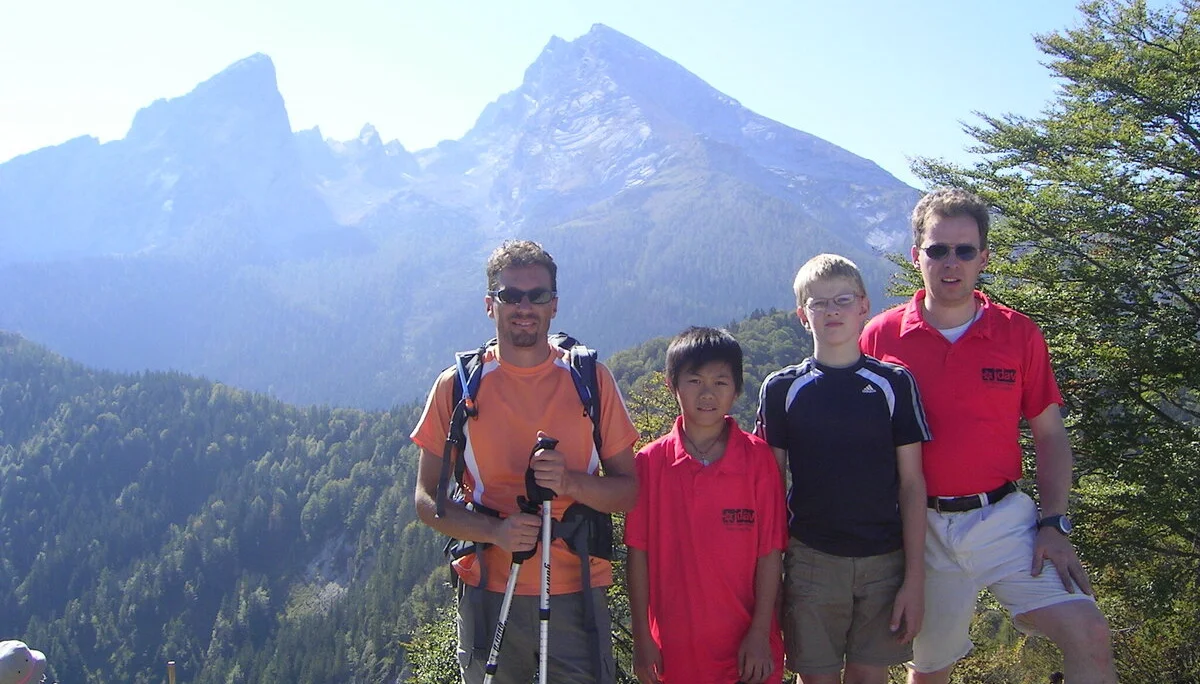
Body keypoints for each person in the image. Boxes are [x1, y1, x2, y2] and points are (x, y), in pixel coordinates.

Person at [859, 187, 1117, 683]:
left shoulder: (1018, 334)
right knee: (931, 669)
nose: (950, 262)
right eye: (937, 249)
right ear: (917, 257)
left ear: (984, 258)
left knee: (1089, 633)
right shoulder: (881, 336)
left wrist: (1055, 523)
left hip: (1004, 521)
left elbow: (1049, 434)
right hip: (919, 529)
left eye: (964, 250)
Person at [412, 240, 640, 684]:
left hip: (577, 591)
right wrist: (497, 532)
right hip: (488, 589)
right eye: (509, 295)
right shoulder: (458, 388)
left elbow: (629, 490)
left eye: (536, 295)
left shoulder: (590, 380)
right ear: (489, 304)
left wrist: (571, 483)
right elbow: (426, 500)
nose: (523, 306)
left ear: (554, 305)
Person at [757, 254, 930, 684]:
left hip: (885, 561)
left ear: (864, 307)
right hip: (811, 559)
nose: (832, 310)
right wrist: (772, 572)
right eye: (818, 303)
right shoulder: (781, 390)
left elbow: (911, 485)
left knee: (871, 677)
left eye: (843, 299)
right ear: (802, 316)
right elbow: (770, 490)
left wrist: (914, 577)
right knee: (815, 677)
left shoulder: (895, 383)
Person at [625, 326, 786, 684]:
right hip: (673, 650)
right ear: (673, 385)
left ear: (738, 389)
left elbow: (770, 552)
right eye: (695, 381)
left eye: (721, 382)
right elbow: (637, 555)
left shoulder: (758, 459)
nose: (708, 394)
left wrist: (761, 632)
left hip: (748, 651)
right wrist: (641, 638)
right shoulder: (650, 463)